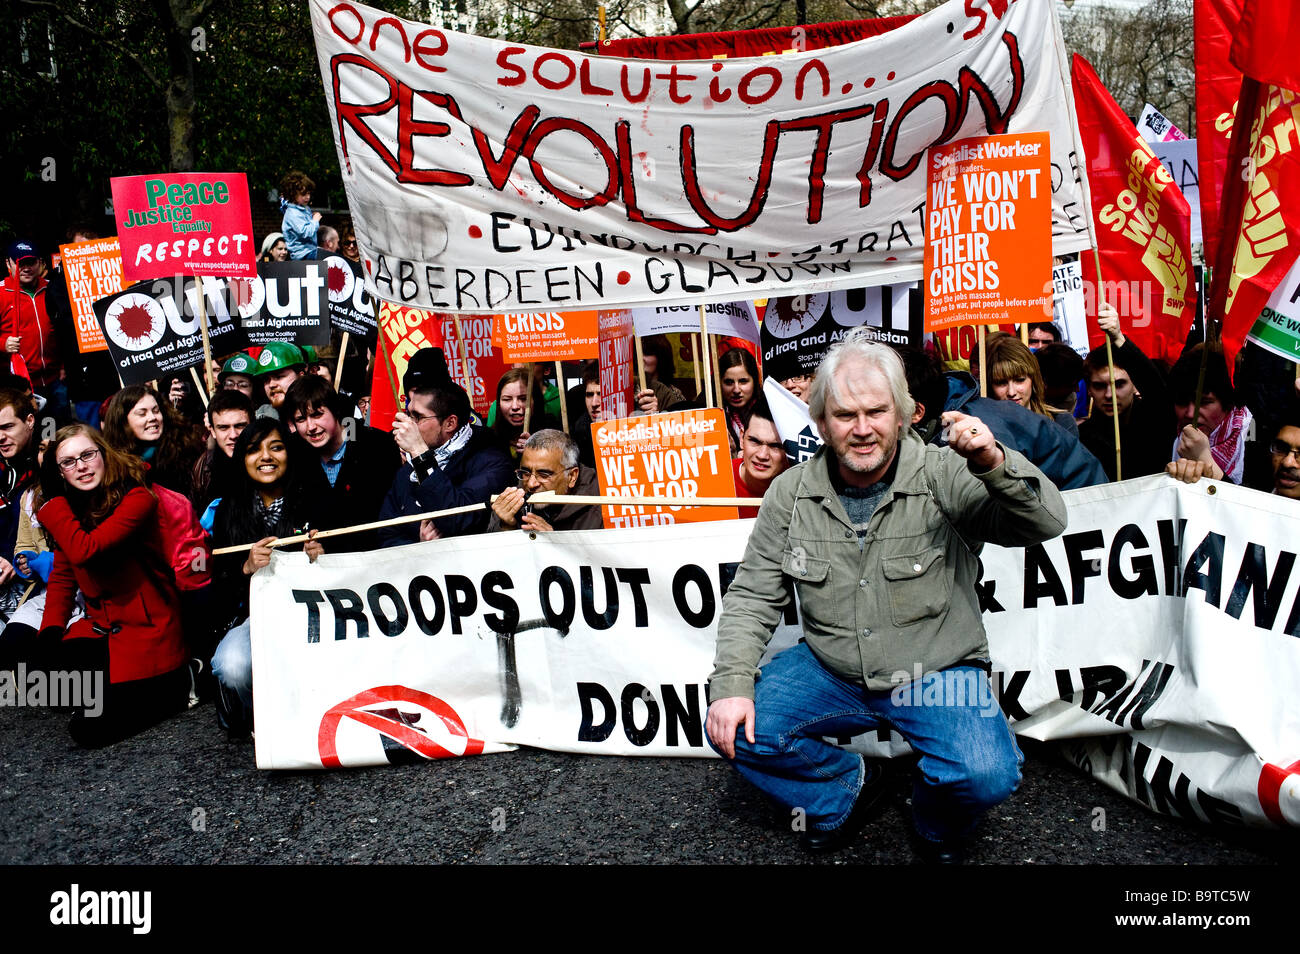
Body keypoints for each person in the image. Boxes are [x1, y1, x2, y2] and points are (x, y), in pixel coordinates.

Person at [706, 330, 1067, 860]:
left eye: (876, 411)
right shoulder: (790, 492)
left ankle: (936, 825)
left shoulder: (947, 472)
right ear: (820, 422)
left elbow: (1045, 520)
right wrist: (731, 684)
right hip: (832, 669)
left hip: (936, 670)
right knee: (733, 725)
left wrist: (993, 461)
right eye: (844, 414)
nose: (862, 429)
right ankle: (845, 791)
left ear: (903, 414)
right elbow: (754, 596)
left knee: (985, 775)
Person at [36, 425, 193, 747]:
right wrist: (51, 630)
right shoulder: (72, 507)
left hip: (147, 633)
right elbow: (65, 574)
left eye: (87, 455)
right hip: (103, 631)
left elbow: (86, 550)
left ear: (104, 454)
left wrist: (52, 502)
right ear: (60, 472)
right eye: (68, 462)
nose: (81, 466)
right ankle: (122, 689)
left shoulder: (137, 497)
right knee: (42, 683)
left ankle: (183, 683)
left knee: (88, 730)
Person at [209, 418, 328, 737]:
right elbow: (217, 586)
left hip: (318, 611)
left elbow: (351, 554)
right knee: (232, 664)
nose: (266, 457)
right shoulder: (228, 510)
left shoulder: (314, 498)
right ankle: (261, 720)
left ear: (289, 454)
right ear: (242, 459)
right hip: (257, 617)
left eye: (276, 447)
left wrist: (323, 555)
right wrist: (245, 568)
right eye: (254, 450)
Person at [897, 345, 1108, 490]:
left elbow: (1012, 501)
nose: (1012, 391)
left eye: (879, 408)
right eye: (1001, 382)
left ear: (917, 412)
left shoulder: (978, 432)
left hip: (1083, 505)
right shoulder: (946, 418)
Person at [378, 348, 514, 546]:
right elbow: (385, 534)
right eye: (410, 414)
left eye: (418, 417)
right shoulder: (409, 468)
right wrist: (418, 545)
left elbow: (457, 519)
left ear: (450, 423)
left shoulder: (491, 461)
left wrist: (419, 453)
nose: (409, 425)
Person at [283, 374, 400, 550]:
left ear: (335, 410)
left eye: (317, 415)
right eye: (301, 419)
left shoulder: (376, 446)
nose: (310, 426)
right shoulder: (293, 454)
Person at [1077, 304, 1175, 482]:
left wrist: (1119, 339)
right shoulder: (1081, 438)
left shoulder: (1154, 422)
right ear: (1089, 389)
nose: (1109, 394)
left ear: (1136, 385)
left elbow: (1157, 390)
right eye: (1099, 386)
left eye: (1119, 384)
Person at [1167, 343, 1252, 484]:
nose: (1190, 413)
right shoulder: (1169, 434)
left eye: (1204, 402)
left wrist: (1204, 458)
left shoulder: (1252, 436)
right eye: (1182, 402)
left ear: (1228, 404)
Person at [0, 240, 65, 420]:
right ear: (8, 263)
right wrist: (3, 344)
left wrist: (62, 365)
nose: (26, 268)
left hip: (54, 379)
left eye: (31, 263)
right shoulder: (1, 292)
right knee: (26, 429)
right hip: (19, 385)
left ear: (40, 263)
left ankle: (47, 447)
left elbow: (64, 331)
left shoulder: (51, 289)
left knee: (52, 428)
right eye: (20, 263)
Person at [487, 430, 601, 532]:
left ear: (572, 476)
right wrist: (505, 527)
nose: (531, 484)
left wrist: (554, 544)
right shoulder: (516, 499)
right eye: (526, 472)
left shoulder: (600, 508)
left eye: (544, 475)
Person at [102, 385, 206, 497]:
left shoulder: (185, 449)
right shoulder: (113, 466)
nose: (152, 417)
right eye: (142, 413)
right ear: (123, 421)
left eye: (156, 411)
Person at [978, 331, 1078, 436]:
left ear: (1033, 379)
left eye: (1020, 380)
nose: (1011, 392)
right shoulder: (983, 428)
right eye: (1001, 383)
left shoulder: (1060, 422)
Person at [0, 388, 40, 623]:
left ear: (29, 421)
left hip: (38, 581)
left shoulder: (52, 462)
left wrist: (11, 558)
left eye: (7, 427)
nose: (0, 437)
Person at [191, 389, 253, 511]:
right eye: (223, 428)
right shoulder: (203, 467)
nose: (233, 435)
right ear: (213, 431)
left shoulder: (269, 459)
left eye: (240, 426)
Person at [731, 397, 787, 518]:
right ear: (741, 438)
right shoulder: (716, 479)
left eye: (775, 446)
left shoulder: (799, 486)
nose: (762, 455)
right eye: (755, 441)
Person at [490, 367, 558, 461]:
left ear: (536, 400)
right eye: (507, 399)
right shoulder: (490, 439)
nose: (515, 406)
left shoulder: (553, 433)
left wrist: (537, 452)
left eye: (523, 399)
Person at [718, 347, 760, 454]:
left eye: (743, 381)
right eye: (729, 382)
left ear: (754, 381)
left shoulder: (769, 413)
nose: (736, 389)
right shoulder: (712, 417)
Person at [252, 341, 307, 414]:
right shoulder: (260, 417)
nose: (271, 385)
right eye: (266, 380)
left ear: (300, 376)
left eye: (279, 377)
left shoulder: (321, 408)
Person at [279, 170, 321, 260]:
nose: (308, 197)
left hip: (310, 250)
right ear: (293, 194)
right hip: (302, 255)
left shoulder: (304, 208)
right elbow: (305, 232)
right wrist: (315, 220)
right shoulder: (292, 213)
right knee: (325, 259)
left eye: (309, 193)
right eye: (303, 194)